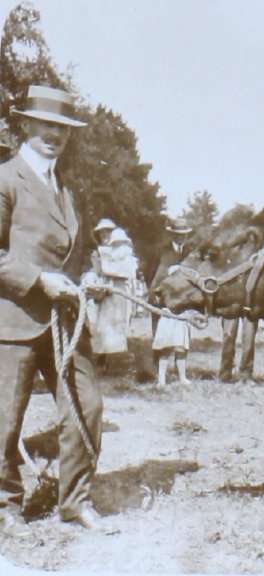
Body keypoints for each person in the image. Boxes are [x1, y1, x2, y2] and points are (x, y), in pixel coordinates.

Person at [0, 85, 104, 533]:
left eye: (62, 128)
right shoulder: (5, 179)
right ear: (25, 125)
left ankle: (74, 500)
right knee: (4, 417)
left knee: (88, 407)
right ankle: (5, 505)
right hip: (14, 317)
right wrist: (39, 280)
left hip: (65, 321)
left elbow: (78, 254)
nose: (54, 134)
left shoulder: (69, 189)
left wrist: (90, 278)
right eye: (45, 125)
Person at [150, 218, 194, 388]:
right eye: (178, 235)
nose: (181, 238)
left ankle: (180, 374)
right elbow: (152, 273)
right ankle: (159, 376)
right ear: (172, 235)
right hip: (162, 301)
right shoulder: (161, 251)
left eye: (184, 235)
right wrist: (154, 294)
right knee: (162, 340)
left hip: (183, 302)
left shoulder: (189, 253)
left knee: (182, 340)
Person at [82, 228, 138, 361]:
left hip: (120, 294)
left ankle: (114, 355)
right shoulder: (111, 259)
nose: (119, 247)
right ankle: (102, 356)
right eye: (116, 244)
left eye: (121, 244)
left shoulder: (129, 260)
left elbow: (122, 274)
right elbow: (103, 269)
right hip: (109, 295)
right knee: (104, 325)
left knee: (117, 324)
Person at [218, 316, 258, 384]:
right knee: (228, 336)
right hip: (231, 306)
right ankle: (225, 373)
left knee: (249, 337)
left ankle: (246, 375)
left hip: (249, 307)